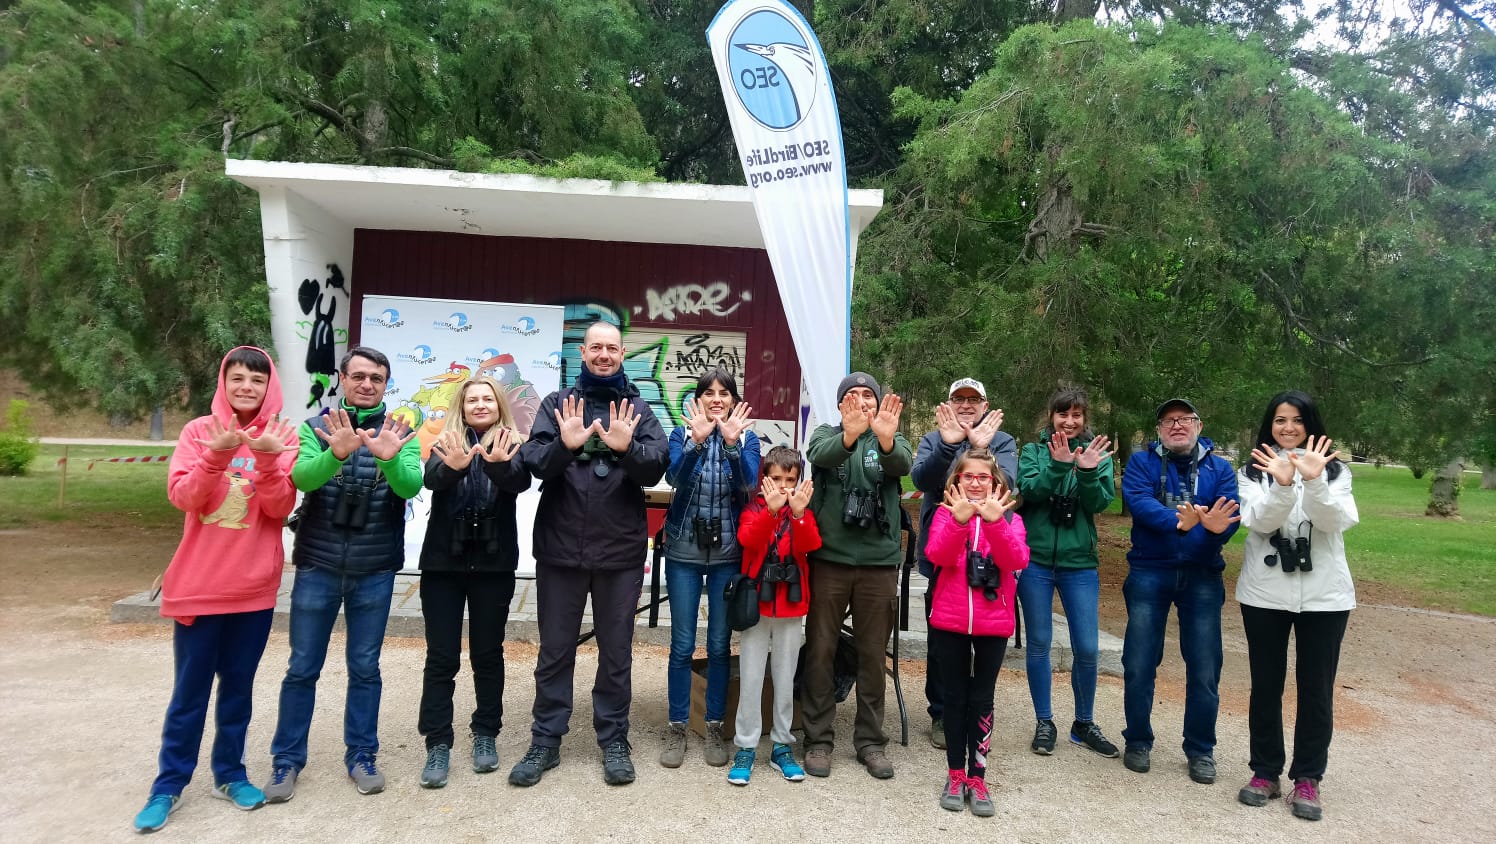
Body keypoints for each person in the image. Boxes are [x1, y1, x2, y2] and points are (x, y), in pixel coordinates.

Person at [132, 347, 298, 833]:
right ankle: (168, 785)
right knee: (189, 693)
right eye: (238, 378)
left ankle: (230, 773)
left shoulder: (278, 436)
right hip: (199, 587)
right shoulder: (197, 432)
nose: (247, 387)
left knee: (238, 690)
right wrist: (219, 452)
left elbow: (279, 508)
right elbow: (184, 496)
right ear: (223, 382)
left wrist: (267, 461)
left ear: (270, 388)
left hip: (253, 590)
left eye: (257, 381)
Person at [508, 321, 669, 787]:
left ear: (622, 353)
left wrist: (627, 449)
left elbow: (657, 465)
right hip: (561, 549)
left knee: (616, 653)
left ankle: (614, 739)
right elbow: (534, 464)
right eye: (596, 347)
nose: (604, 354)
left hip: (619, 552)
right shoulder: (557, 405)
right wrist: (565, 444)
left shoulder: (639, 408)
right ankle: (545, 740)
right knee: (555, 651)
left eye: (611, 348)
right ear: (583, 351)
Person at [264, 346, 420, 801]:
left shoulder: (402, 431)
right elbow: (303, 479)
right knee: (301, 667)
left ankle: (362, 755)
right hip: (318, 564)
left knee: (365, 667)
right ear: (342, 378)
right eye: (359, 376)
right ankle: (286, 761)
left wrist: (390, 458)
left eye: (376, 378)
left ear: (386, 384)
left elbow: (411, 484)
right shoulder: (316, 427)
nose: (367, 384)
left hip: (375, 568)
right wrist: (335, 453)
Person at [1234, 391, 1358, 821]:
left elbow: (1335, 521)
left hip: (1325, 597)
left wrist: (1314, 480)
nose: (1288, 428)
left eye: (1297, 420)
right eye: (1280, 420)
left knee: (1316, 688)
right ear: (1270, 425)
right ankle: (1265, 771)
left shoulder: (1336, 471)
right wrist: (1284, 484)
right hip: (1265, 593)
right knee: (1265, 684)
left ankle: (1308, 777)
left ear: (1311, 424)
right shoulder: (1252, 471)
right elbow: (1259, 522)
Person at [415, 376, 531, 788]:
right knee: (441, 657)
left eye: (487, 399)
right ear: (461, 407)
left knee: (487, 654)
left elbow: (520, 482)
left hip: (494, 563)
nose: (480, 405)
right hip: (443, 564)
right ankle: (438, 742)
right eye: (472, 400)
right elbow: (430, 481)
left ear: (499, 405)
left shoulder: (513, 443)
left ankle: (486, 734)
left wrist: (497, 466)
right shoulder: (446, 441)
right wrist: (452, 467)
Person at [1120, 398, 1240, 784]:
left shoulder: (1221, 469)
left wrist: (1201, 532)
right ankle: (1138, 740)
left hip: (1203, 574)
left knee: (1205, 666)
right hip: (1149, 570)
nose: (1176, 426)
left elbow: (1228, 520)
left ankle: (1201, 749)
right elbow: (1139, 504)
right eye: (1168, 420)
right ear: (1158, 429)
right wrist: (1187, 522)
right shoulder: (1141, 463)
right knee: (1139, 662)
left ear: (1198, 425)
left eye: (1184, 419)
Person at [800, 372, 912, 779]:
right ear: (841, 403)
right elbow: (821, 457)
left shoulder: (891, 436)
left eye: (869, 395)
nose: (862, 401)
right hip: (829, 560)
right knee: (821, 650)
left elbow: (903, 464)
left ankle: (869, 741)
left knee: (871, 655)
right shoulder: (827, 434)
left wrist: (883, 438)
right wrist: (849, 435)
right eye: (853, 395)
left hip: (878, 564)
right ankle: (818, 739)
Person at [660, 369, 761, 769]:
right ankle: (677, 727)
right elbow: (673, 477)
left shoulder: (748, 437)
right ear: (698, 398)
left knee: (719, 644)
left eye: (724, 393)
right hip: (683, 549)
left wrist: (734, 445)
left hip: (728, 554)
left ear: (734, 399)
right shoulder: (680, 433)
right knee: (682, 644)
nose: (716, 399)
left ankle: (716, 725)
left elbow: (749, 484)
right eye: (709, 393)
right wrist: (697, 444)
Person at [922, 449, 1029, 817]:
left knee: (982, 698)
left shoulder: (1011, 518)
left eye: (983, 477)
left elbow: (1017, 560)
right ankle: (954, 773)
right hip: (950, 621)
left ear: (995, 482)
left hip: (992, 623)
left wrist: (996, 523)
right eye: (968, 477)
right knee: (954, 697)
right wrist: (959, 522)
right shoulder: (944, 513)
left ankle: (977, 776)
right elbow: (936, 554)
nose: (976, 483)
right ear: (957, 481)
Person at [1016, 388, 1120, 758]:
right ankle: (1045, 721)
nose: (1070, 421)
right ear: (1051, 416)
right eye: (1063, 414)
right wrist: (1058, 464)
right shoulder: (1032, 451)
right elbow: (1027, 490)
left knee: (1087, 647)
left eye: (1077, 415)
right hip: (1036, 562)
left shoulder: (1097, 453)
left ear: (1084, 418)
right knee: (1040, 642)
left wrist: (1088, 471)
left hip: (1079, 563)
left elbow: (1100, 503)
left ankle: (1084, 722)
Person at [911, 377, 1012, 748]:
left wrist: (981, 448)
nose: (966, 404)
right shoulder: (933, 437)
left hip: (989, 555)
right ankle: (941, 712)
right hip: (943, 551)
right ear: (950, 403)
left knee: (985, 639)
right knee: (942, 640)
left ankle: (978, 710)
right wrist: (949, 445)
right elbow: (920, 478)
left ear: (985, 405)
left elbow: (1009, 486)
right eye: (959, 398)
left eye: (974, 399)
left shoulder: (1003, 441)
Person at [727, 446, 821, 786]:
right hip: (756, 605)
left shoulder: (801, 512)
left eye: (790, 480)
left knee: (785, 678)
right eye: (776, 479)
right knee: (751, 678)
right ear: (763, 479)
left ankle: (782, 744)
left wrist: (796, 515)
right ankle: (746, 746)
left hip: (790, 606)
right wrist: (770, 511)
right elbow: (747, 539)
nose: (783, 486)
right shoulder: (753, 510)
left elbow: (809, 545)